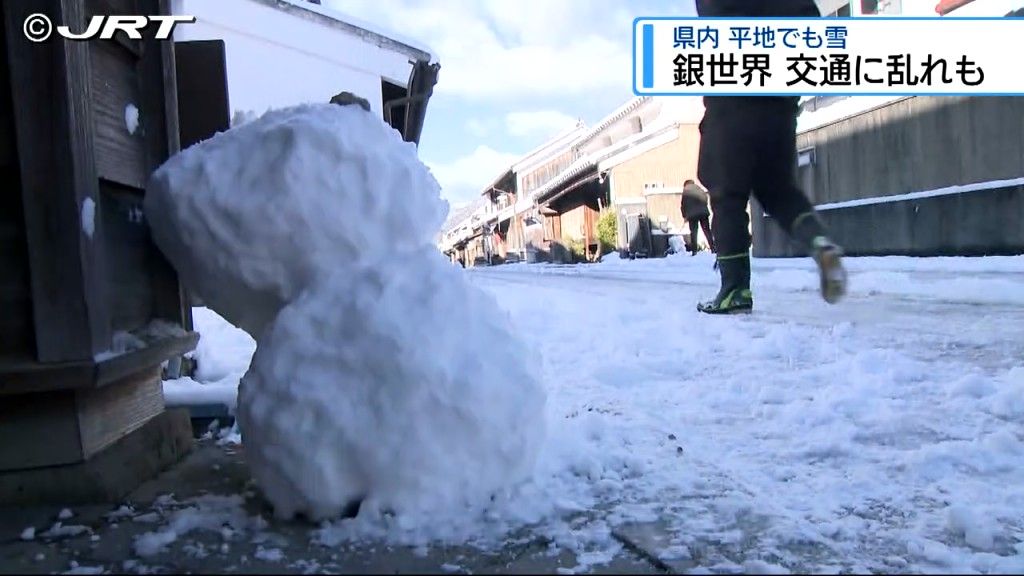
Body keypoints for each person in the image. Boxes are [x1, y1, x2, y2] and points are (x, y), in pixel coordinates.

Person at [694, 0, 848, 315]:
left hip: (732, 102)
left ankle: (734, 289)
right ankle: (818, 241)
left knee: (727, 195)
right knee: (780, 191)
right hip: (780, 105)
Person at [680, 179, 715, 256]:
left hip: (692, 215)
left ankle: (694, 251)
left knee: (694, 233)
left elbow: (683, 205)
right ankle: (713, 248)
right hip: (703, 213)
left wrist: (684, 216)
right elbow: (705, 198)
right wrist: (702, 206)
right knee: (707, 231)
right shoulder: (699, 189)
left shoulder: (686, 192)